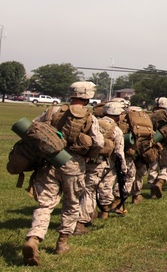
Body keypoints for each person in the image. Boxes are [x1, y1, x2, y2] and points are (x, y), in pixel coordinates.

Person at [23, 81, 104, 266]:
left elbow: (33, 128)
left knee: (45, 204)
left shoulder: (52, 111)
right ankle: (62, 243)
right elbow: (98, 143)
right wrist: (89, 156)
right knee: (71, 203)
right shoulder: (90, 117)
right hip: (74, 165)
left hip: (49, 163)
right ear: (88, 96)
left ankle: (34, 238)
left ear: (71, 94)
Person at [80, 98, 125, 229]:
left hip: (86, 161)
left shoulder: (94, 122)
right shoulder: (116, 130)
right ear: (118, 114)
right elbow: (119, 152)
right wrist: (123, 169)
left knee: (85, 189)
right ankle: (85, 219)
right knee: (93, 190)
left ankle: (87, 213)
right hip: (103, 164)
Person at [148, 97, 167, 199]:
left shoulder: (149, 117)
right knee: (166, 167)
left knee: (153, 168)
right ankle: (160, 182)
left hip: (154, 146)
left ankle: (152, 191)